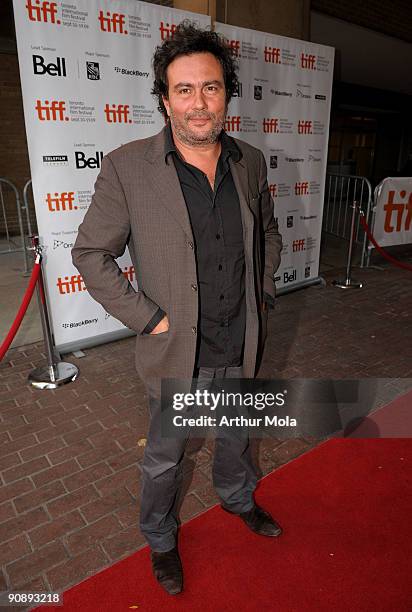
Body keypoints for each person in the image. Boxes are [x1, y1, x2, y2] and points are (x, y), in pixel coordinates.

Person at [72, 22, 283, 596]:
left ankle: (239, 501)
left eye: (210, 88)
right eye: (184, 90)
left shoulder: (251, 162)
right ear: (164, 98)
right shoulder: (127, 167)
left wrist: (261, 295)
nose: (198, 102)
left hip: (240, 338)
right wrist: (148, 318)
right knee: (166, 459)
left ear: (227, 94)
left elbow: (267, 232)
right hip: (176, 349)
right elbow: (91, 253)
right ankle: (161, 539)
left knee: (238, 436)